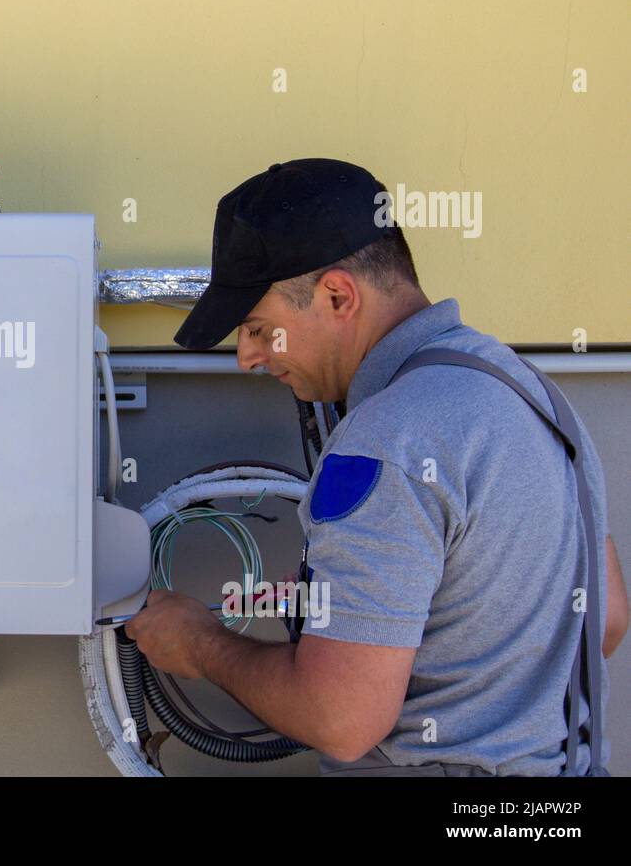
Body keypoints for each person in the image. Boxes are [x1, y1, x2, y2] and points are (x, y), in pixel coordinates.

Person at [125, 158, 627, 775]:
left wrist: (200, 645)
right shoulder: (531, 394)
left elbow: (340, 719)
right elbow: (603, 621)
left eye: (259, 329)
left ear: (338, 295)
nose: (248, 358)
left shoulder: (387, 441)